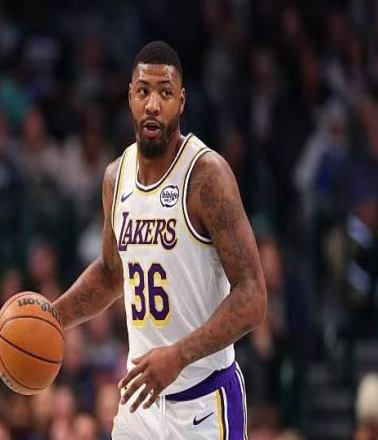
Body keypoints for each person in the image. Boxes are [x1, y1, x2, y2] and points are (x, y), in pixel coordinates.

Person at [53, 40, 267, 439]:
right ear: (130, 98)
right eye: (143, 91)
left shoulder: (207, 176)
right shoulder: (115, 177)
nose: (152, 104)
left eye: (165, 93)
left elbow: (253, 295)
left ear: (181, 101)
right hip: (140, 405)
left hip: (204, 403)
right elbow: (112, 273)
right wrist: (54, 317)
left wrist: (179, 355)